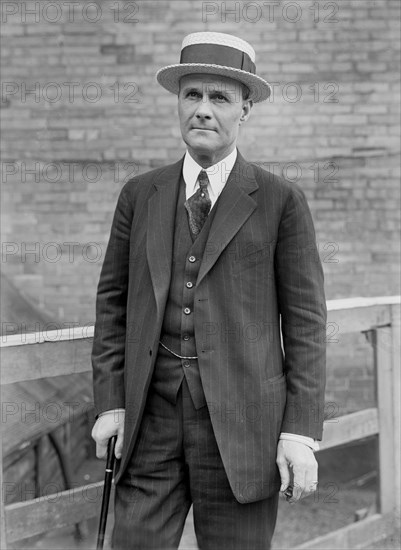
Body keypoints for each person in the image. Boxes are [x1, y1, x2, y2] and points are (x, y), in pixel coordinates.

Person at [91, 31, 326, 550]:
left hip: (243, 431)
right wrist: (111, 404)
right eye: (191, 95)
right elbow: (112, 305)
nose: (203, 110)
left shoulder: (279, 201)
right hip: (149, 424)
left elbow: (307, 324)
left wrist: (299, 434)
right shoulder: (140, 195)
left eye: (219, 98)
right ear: (178, 104)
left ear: (246, 109)